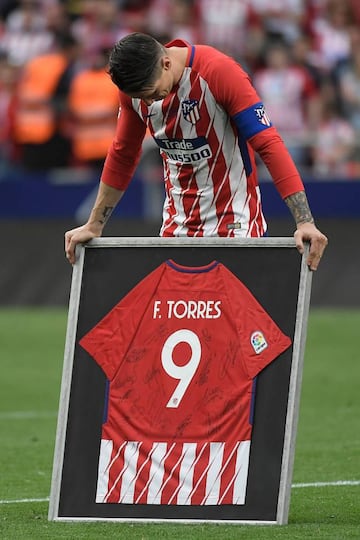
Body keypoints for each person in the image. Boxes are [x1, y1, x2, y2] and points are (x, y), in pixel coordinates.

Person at [65, 32, 328, 269]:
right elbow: (123, 155)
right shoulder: (136, 90)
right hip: (175, 231)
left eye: (154, 94)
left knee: (235, 323)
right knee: (174, 324)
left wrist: (304, 221)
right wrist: (95, 225)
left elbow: (268, 143)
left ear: (165, 64)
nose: (148, 103)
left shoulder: (218, 72)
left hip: (236, 228)